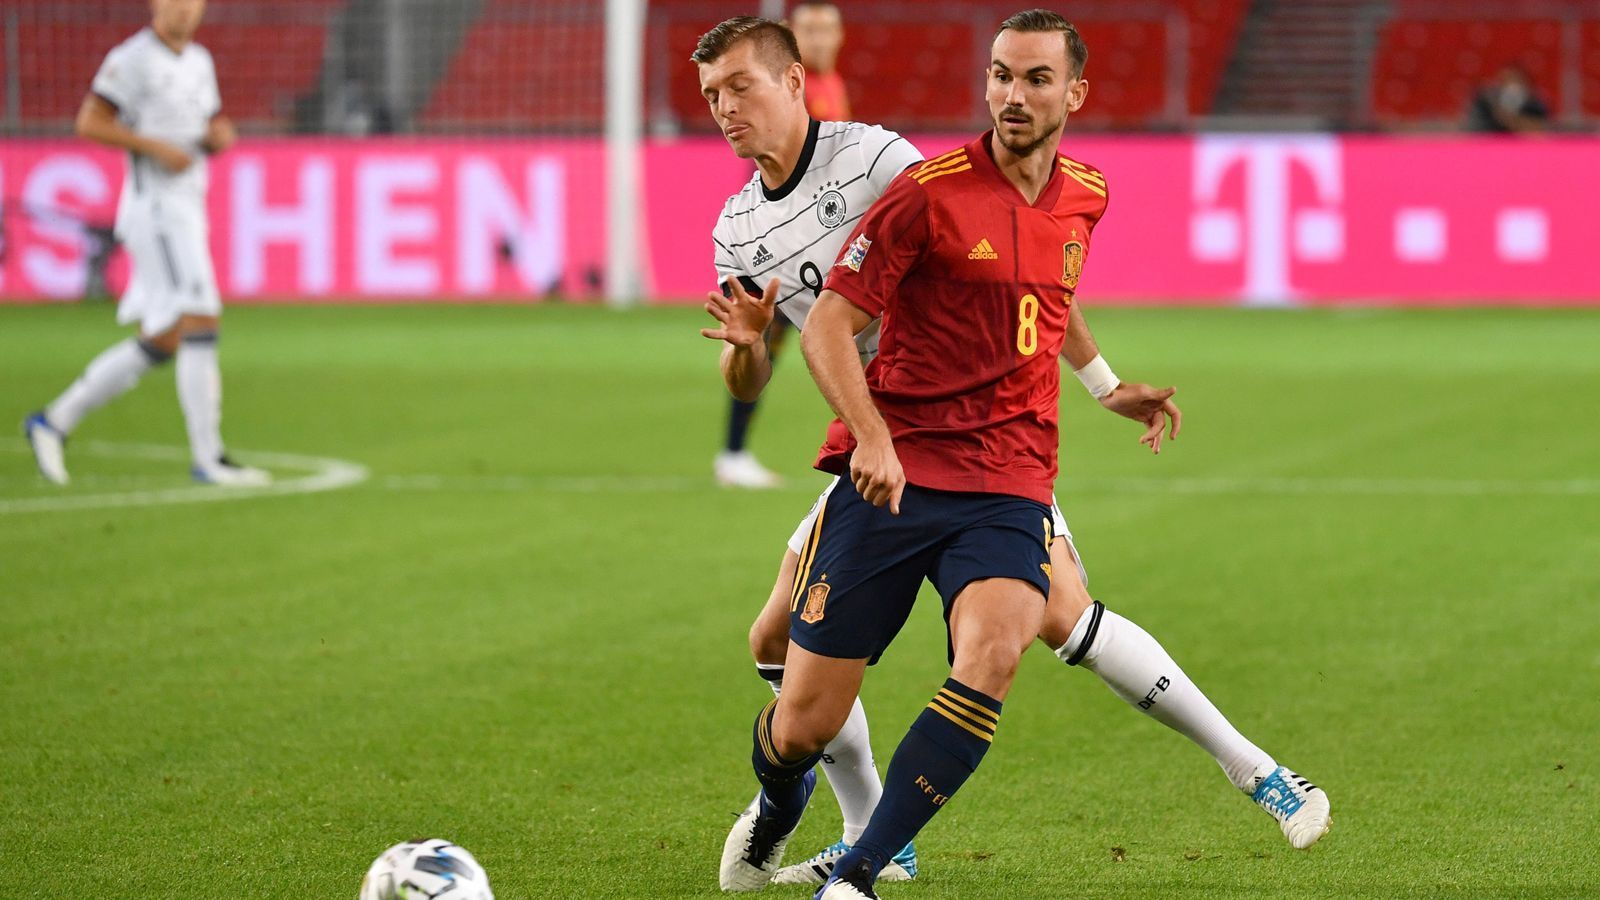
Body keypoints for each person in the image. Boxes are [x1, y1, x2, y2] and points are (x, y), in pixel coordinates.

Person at [697, 12, 1330, 896]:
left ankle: (1255, 768)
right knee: (776, 649)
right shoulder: (735, 228)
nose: (726, 109)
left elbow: (1018, 273)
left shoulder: (885, 161)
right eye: (711, 96)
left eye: (740, 87)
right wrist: (746, 345)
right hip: (882, 440)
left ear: (792, 81)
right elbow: (754, 375)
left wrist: (1104, 384)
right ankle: (831, 814)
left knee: (1053, 617)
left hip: (984, 439)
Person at [23, 0, 269, 488]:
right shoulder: (131, 59)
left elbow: (210, 126)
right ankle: (209, 458)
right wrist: (156, 148)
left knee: (165, 338)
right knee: (201, 314)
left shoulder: (200, 62)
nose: (184, 9)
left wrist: (219, 138)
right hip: (156, 209)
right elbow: (90, 121)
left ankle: (54, 421)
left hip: (188, 205)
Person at [710, 2, 852, 490]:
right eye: (809, 29)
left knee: (797, 339)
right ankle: (732, 452)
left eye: (826, 29)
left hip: (819, 237)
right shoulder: (793, 87)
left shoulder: (832, 85)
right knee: (764, 337)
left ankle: (734, 453)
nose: (819, 38)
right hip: (789, 239)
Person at [1466, 64, 1549, 134]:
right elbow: (1473, 128)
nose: (1511, 85)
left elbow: (1541, 128)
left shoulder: (1535, 103)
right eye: (1505, 80)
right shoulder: (1486, 101)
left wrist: (1510, 120)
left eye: (1515, 80)